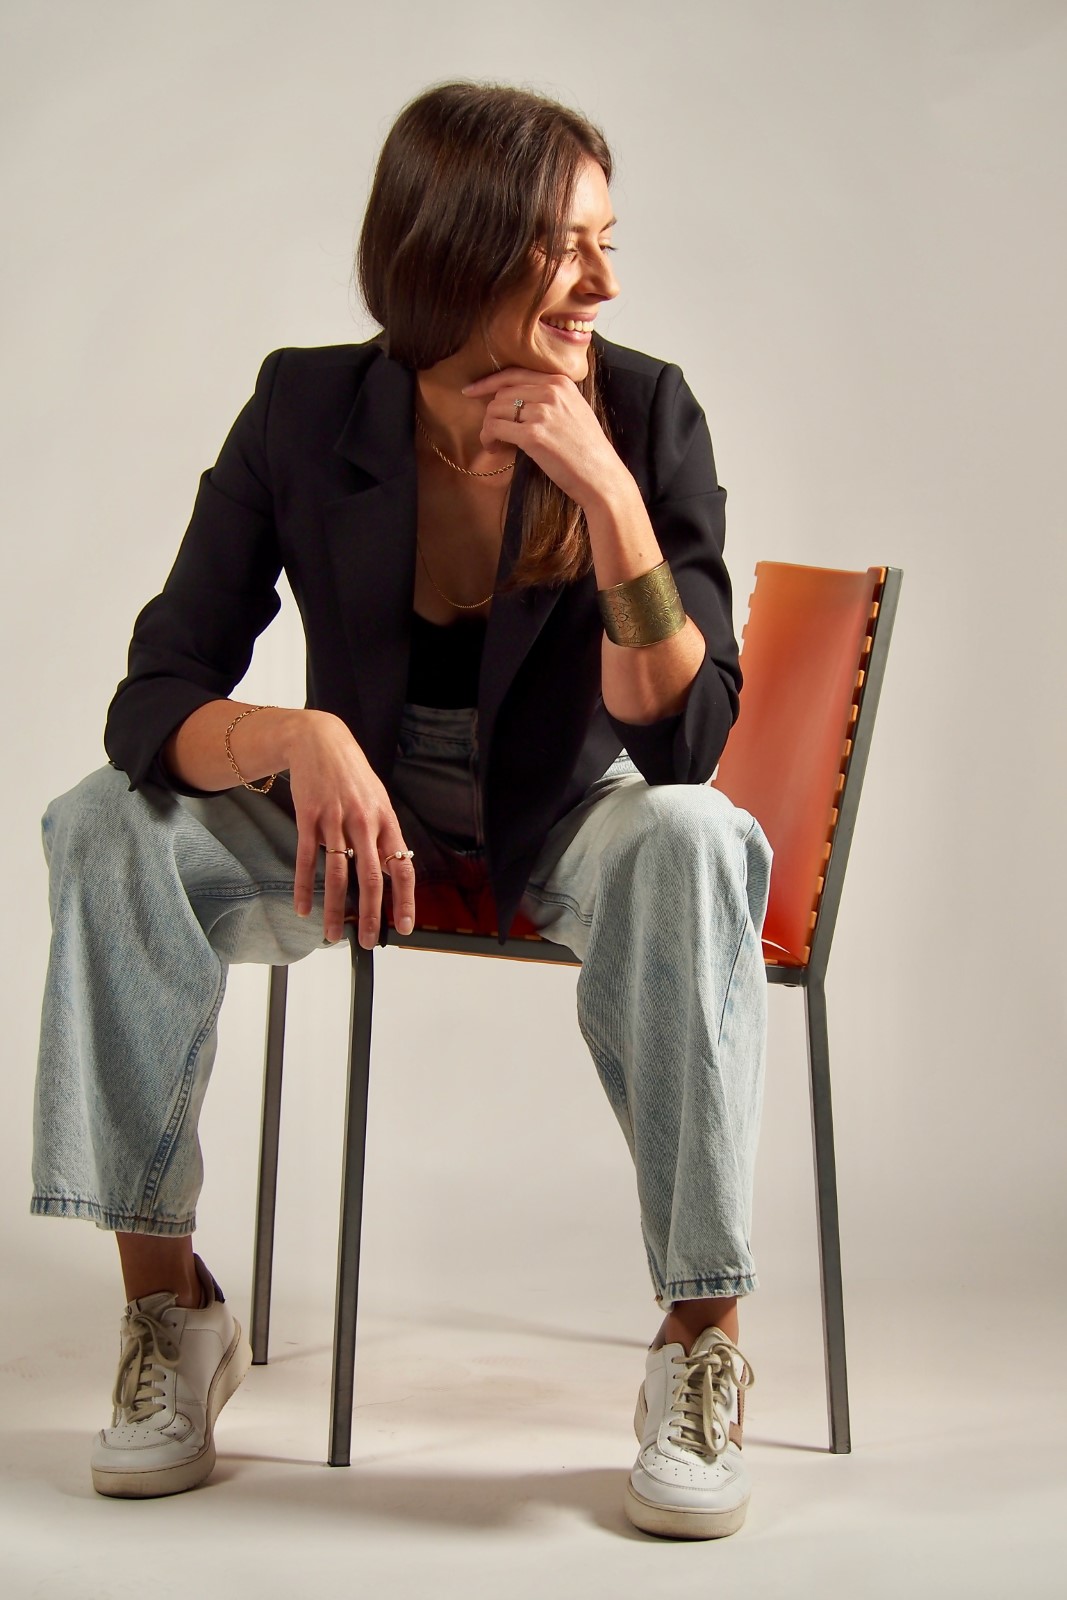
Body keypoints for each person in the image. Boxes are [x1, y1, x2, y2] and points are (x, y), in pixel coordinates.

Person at [33, 82, 771, 1540]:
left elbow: (683, 745)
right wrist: (295, 736)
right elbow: (154, 695)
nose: (604, 284)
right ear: (461, 248)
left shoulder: (644, 409)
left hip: (566, 821)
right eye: (567, 248)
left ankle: (702, 1342)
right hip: (351, 821)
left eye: (608, 243)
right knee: (104, 822)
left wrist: (611, 500)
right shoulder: (308, 408)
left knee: (693, 838)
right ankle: (170, 1310)